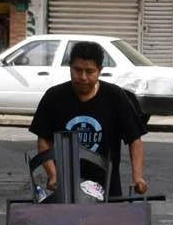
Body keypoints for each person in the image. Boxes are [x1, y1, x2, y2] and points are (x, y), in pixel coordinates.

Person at [29, 39, 150, 199]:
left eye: (89, 71)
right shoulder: (54, 96)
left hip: (107, 190)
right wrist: (53, 174)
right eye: (77, 70)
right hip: (66, 189)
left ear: (99, 70)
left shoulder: (115, 97)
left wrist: (137, 177)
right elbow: (44, 140)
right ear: (70, 68)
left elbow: (134, 140)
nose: (83, 77)